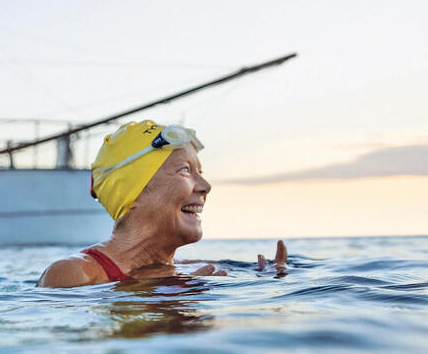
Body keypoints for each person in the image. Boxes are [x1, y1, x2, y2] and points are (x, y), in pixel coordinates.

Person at [38, 120, 287, 287]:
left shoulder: (189, 268)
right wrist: (164, 296)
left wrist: (270, 278)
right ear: (131, 193)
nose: (205, 186)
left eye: (200, 171)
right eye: (184, 171)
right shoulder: (74, 275)